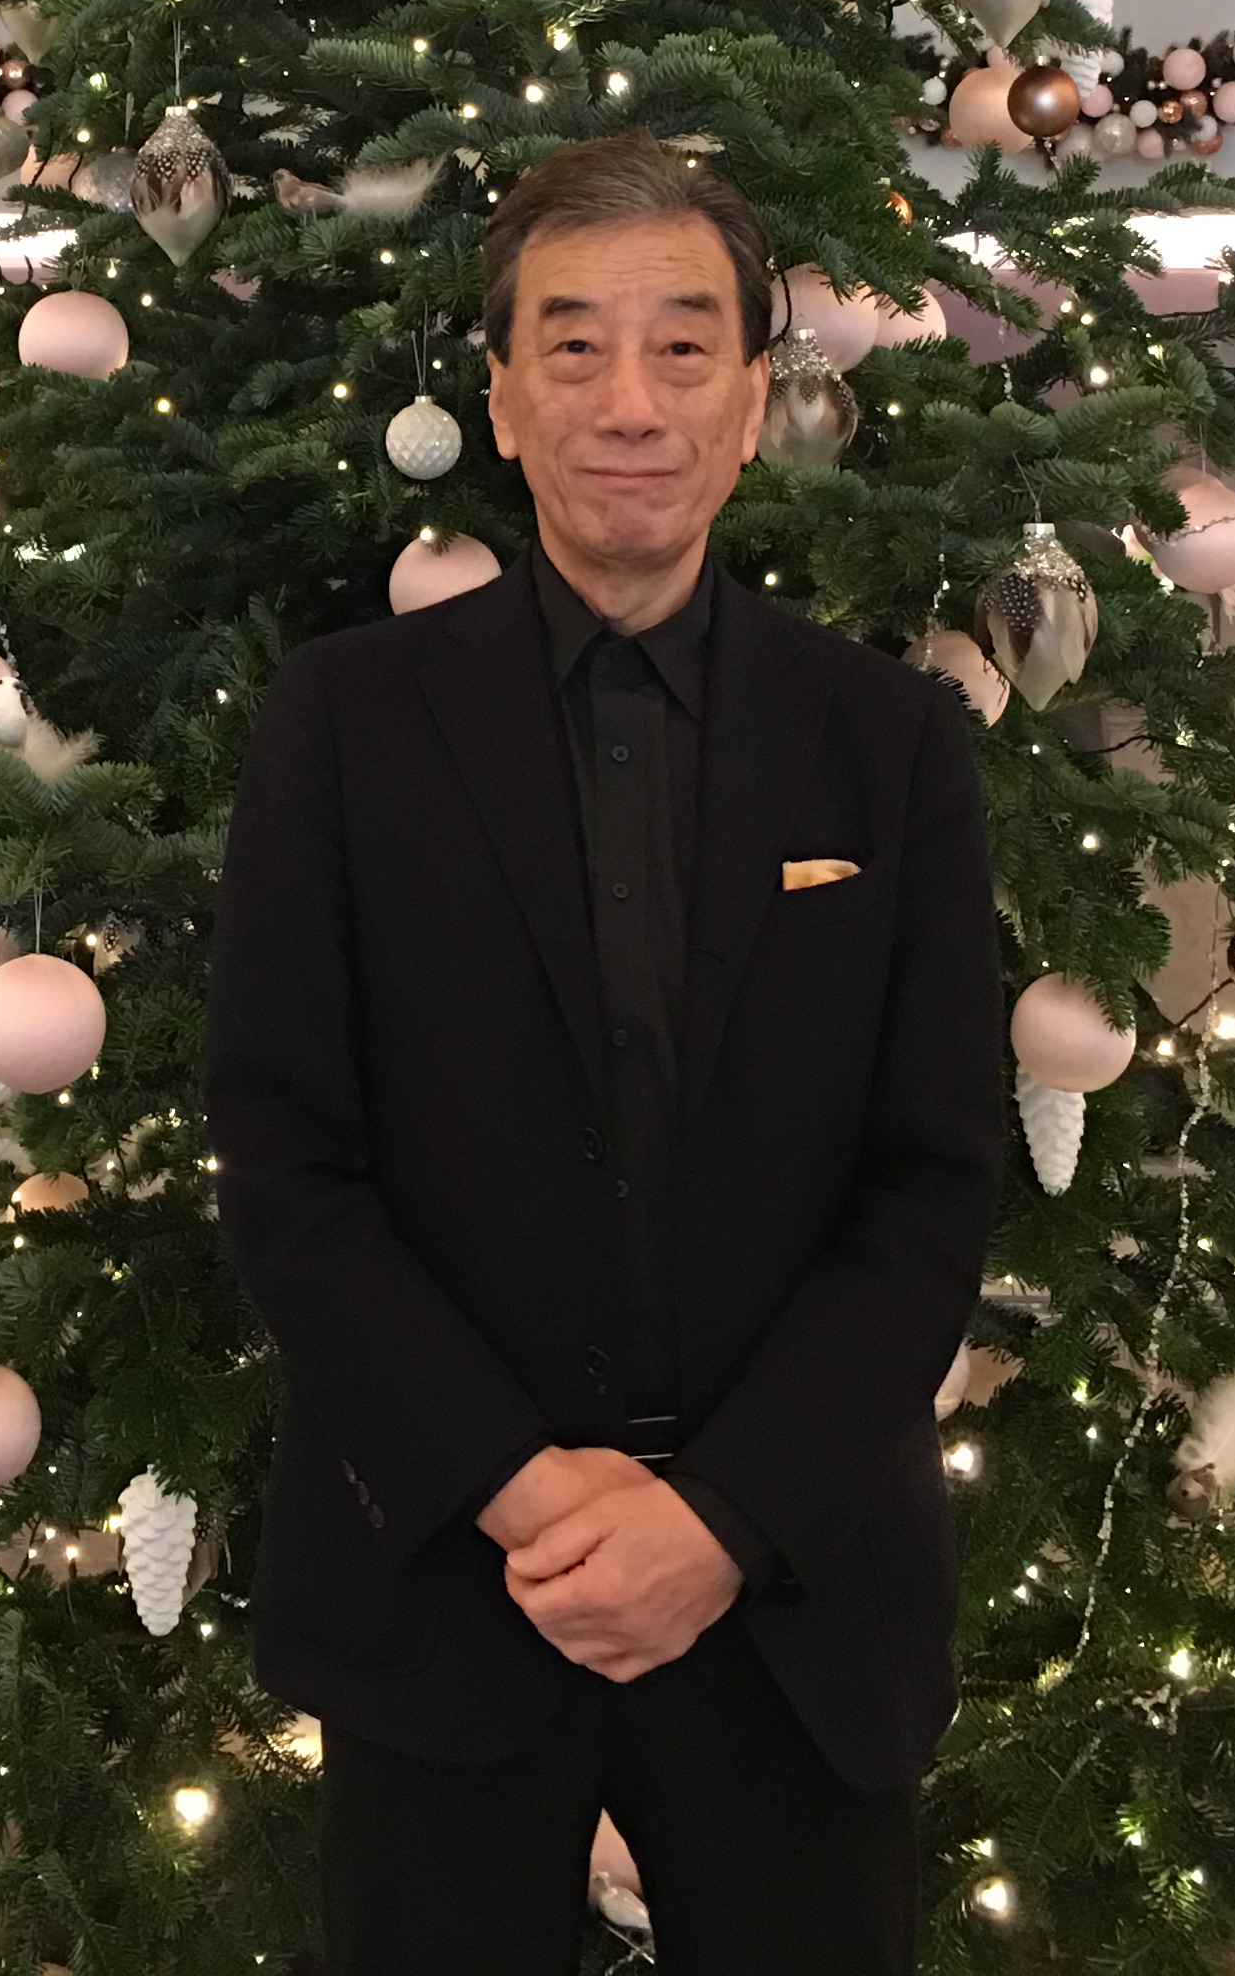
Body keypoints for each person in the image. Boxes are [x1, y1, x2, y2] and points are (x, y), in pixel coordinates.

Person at [209, 133, 1006, 1976]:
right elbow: (290, 1168)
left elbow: (932, 1185)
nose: (629, 401)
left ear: (753, 398)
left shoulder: (889, 744)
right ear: (502, 400)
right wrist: (521, 1485)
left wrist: (720, 1521)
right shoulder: (342, 724)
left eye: (682, 346)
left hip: (791, 1588)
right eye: (572, 347)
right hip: (448, 1571)